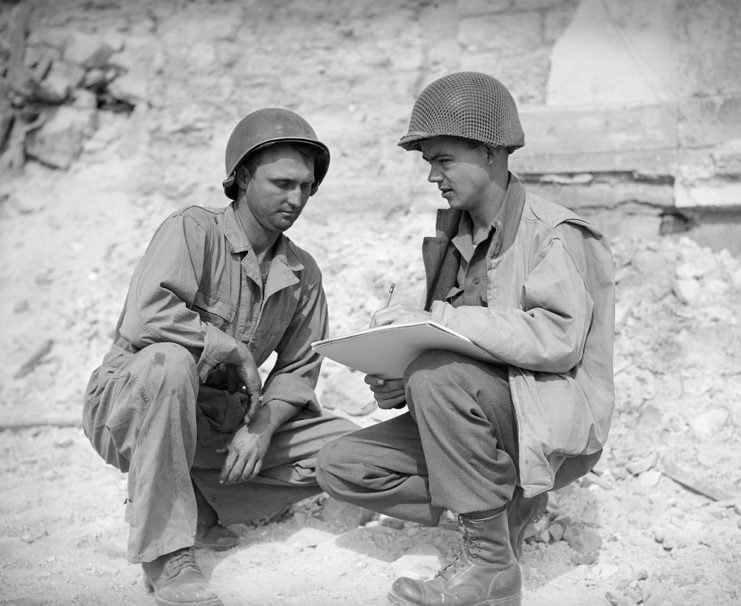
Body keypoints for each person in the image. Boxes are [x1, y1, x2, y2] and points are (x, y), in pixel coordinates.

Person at [317, 72, 615, 606]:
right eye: (428, 161)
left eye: (445, 159)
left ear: (492, 151)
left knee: (438, 377)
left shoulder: (555, 232)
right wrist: (399, 375)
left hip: (549, 426)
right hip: (478, 416)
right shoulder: (451, 236)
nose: (432, 175)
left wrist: (438, 327)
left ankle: (491, 566)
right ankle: (504, 513)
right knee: (342, 466)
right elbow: (457, 357)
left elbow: (558, 339)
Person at [82, 107, 358, 606]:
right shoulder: (192, 230)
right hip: (129, 407)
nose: (296, 198)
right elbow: (145, 318)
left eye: (306, 186)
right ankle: (166, 551)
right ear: (242, 178)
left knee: (346, 447)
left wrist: (263, 427)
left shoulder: (302, 273)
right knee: (170, 362)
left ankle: (204, 497)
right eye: (281, 183)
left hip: (216, 427)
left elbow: (298, 370)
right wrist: (227, 345)